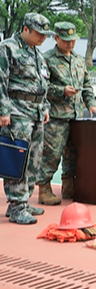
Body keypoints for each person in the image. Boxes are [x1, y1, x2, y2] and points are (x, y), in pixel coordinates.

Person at [37, 22, 96, 206]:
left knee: (73, 154)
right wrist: (61, 91)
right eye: (66, 41)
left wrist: (91, 104)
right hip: (56, 117)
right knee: (52, 154)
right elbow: (42, 87)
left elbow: (87, 85)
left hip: (76, 117)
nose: (70, 45)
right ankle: (44, 189)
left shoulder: (78, 59)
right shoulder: (47, 59)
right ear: (56, 38)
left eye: (73, 41)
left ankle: (69, 186)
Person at [0, 13, 54, 224]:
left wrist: (46, 105)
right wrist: (3, 110)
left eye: (45, 35)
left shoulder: (37, 54)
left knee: (34, 159)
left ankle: (25, 200)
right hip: (16, 111)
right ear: (25, 30)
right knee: (17, 159)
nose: (43, 38)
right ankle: (16, 206)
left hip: (36, 111)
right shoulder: (8, 48)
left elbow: (43, 83)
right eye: (39, 33)